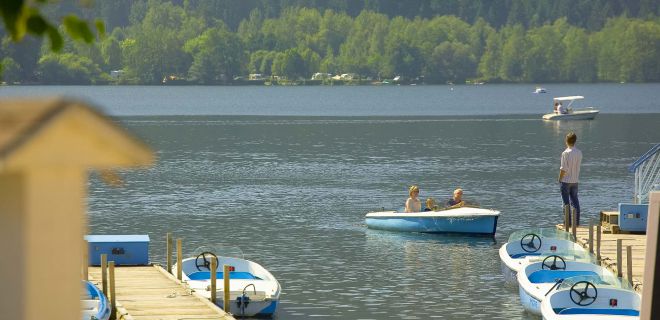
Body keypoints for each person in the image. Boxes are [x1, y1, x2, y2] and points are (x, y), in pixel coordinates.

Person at [559, 132, 582, 225]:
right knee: (575, 202)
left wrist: (559, 178)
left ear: (566, 141)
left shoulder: (565, 153)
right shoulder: (579, 152)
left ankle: (567, 223)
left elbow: (563, 168)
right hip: (575, 180)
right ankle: (576, 223)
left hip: (566, 181)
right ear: (575, 141)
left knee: (566, 203)